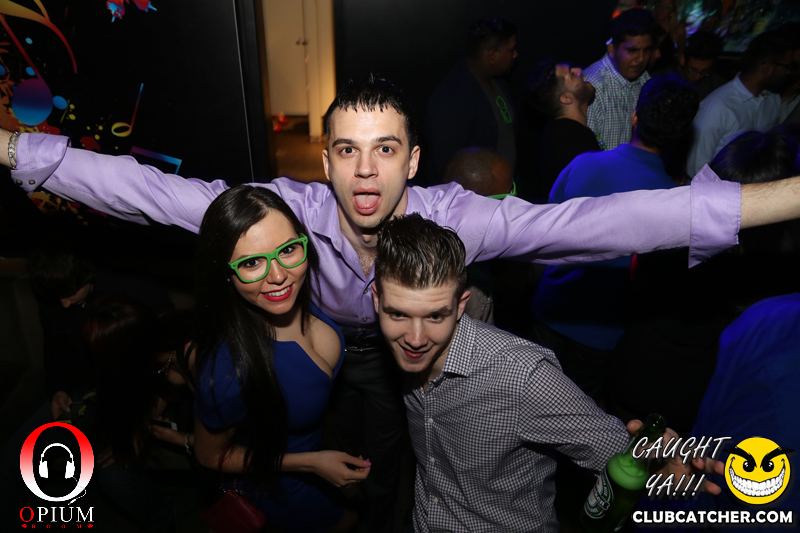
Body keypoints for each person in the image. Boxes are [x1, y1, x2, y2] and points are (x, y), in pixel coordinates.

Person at [5, 73, 800, 530]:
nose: (365, 171)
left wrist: (781, 198)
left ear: (412, 160)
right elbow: (152, 192)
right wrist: (16, 148)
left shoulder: (457, 215)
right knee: (319, 428)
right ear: (325, 160)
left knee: (396, 451)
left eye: (384, 149)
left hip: (410, 355)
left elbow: (597, 223)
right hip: (323, 339)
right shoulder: (294, 209)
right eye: (347, 150)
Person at [370, 213, 724, 532]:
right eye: (398, 314)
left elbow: (620, 455)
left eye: (436, 316)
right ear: (376, 300)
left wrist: (664, 470)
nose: (415, 339)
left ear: (461, 305)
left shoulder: (522, 376)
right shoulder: (399, 353)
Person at [189, 186, 369, 532]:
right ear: (226, 273)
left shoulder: (298, 300)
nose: (278, 276)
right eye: (251, 263)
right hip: (277, 490)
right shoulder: (227, 369)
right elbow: (209, 455)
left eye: (287, 250)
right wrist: (309, 463)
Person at [687, 30, 794, 175]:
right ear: (767, 68)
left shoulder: (772, 99)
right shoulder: (717, 108)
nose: (788, 72)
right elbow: (696, 170)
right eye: (787, 67)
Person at [425, 18, 518, 180]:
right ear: (492, 55)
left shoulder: (499, 82)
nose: (516, 55)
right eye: (511, 50)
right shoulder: (452, 99)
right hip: (477, 194)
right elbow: (448, 167)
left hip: (503, 188)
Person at [527, 58, 602, 199]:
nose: (579, 70)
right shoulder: (572, 140)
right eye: (572, 74)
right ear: (566, 98)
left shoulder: (561, 132)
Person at [584, 8, 656, 150]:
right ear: (612, 48)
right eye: (632, 50)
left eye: (647, 50)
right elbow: (587, 152)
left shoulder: (645, 79)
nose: (641, 59)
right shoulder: (592, 86)